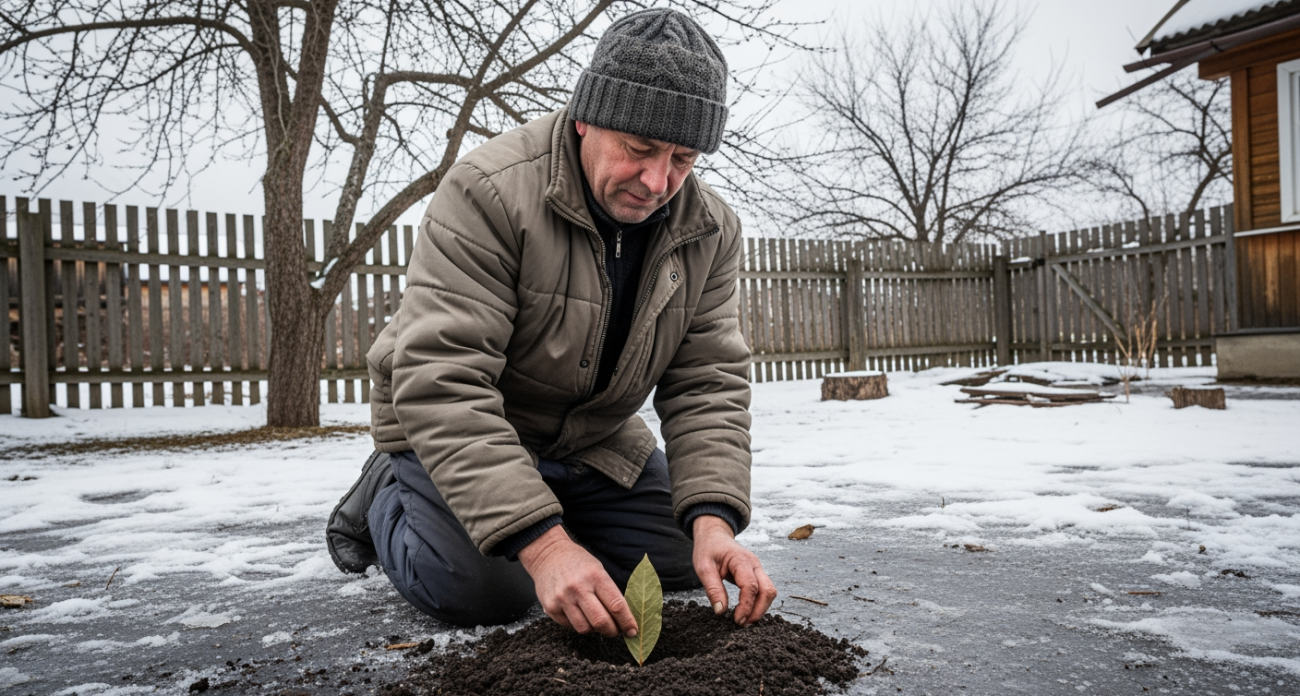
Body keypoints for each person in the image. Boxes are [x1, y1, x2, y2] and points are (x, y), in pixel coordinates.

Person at [325, 7, 776, 639]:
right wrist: (543, 546)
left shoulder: (710, 230)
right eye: (639, 149)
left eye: (682, 158)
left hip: (584, 442)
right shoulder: (489, 190)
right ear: (586, 116)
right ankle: (385, 495)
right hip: (459, 423)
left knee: (680, 558)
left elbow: (707, 381)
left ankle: (543, 510)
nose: (656, 181)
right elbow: (442, 378)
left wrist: (713, 522)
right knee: (483, 591)